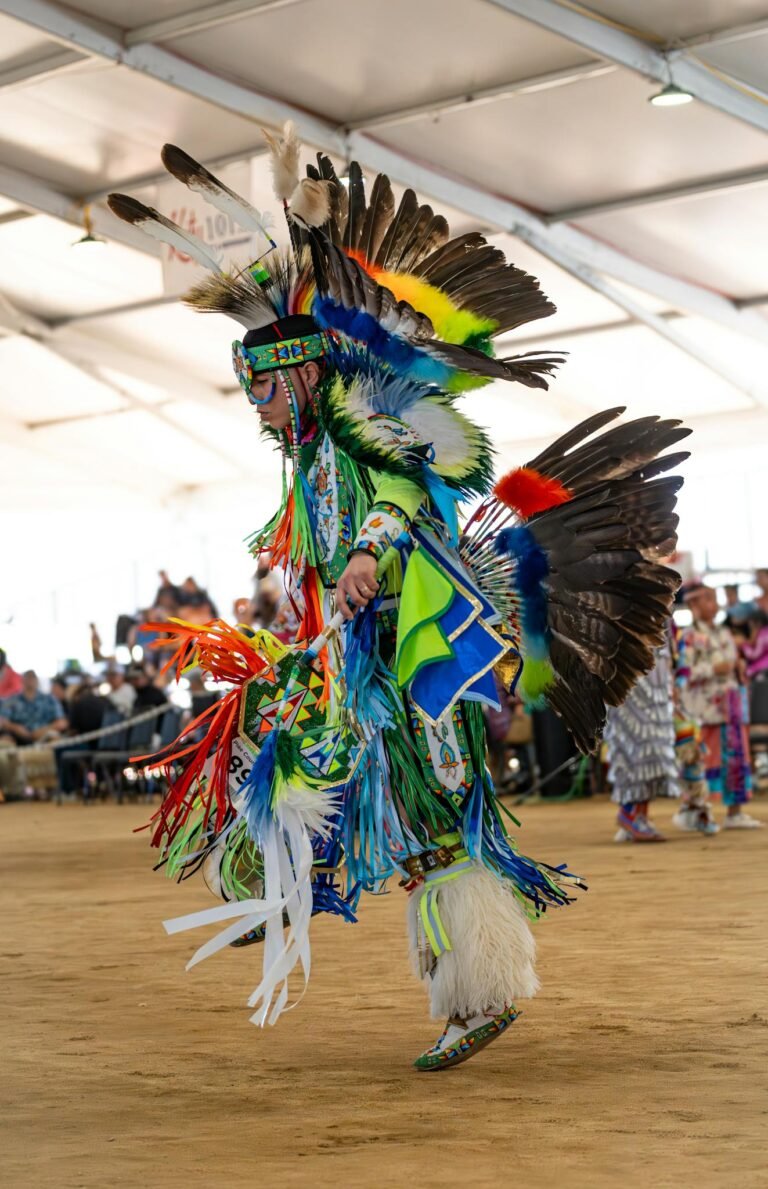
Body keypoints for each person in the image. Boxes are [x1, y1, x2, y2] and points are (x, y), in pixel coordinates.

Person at [110, 132, 689, 1069]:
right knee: (267, 721)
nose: (256, 408)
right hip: (359, 654)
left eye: (262, 388)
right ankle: (281, 880)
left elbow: (413, 480)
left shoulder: (355, 421)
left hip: (414, 660)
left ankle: (479, 988)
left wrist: (373, 549)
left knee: (431, 818)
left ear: (298, 373)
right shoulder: (309, 457)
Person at [676, 584, 761, 828]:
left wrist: (738, 667)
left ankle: (735, 812)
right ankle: (695, 811)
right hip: (704, 711)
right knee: (701, 760)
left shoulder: (723, 633)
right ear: (694, 605)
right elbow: (685, 672)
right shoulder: (689, 636)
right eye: (709, 600)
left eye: (714, 599)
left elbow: (732, 662)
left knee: (735, 758)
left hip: (731, 707)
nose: (715, 605)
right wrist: (714, 669)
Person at [604, 640, 679, 843]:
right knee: (634, 745)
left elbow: (667, 645)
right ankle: (629, 813)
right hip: (629, 677)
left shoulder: (664, 615)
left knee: (655, 750)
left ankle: (639, 815)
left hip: (657, 679)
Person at [0, 671, 68, 746]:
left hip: (45, 736)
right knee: (5, 741)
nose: (30, 680)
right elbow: (3, 720)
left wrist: (44, 730)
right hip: (17, 737)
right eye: (28, 677)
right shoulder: (11, 700)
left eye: (33, 677)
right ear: (22, 680)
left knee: (56, 739)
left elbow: (62, 722)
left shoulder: (50, 699)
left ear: (37, 680)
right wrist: (15, 728)